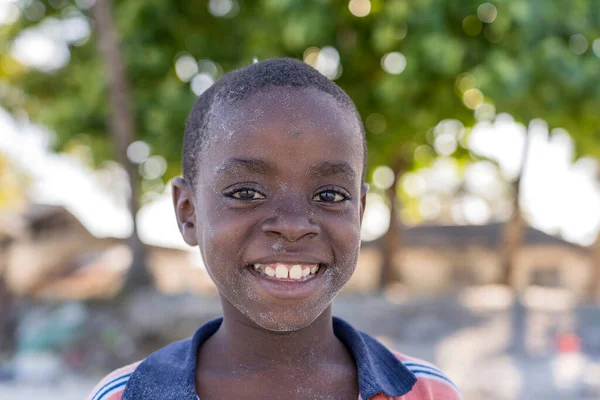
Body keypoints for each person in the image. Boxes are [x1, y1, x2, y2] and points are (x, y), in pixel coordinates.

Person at [86, 58, 462, 400]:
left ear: (359, 213)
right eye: (246, 192)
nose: (294, 226)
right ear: (188, 213)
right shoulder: (126, 396)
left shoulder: (427, 392)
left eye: (329, 194)